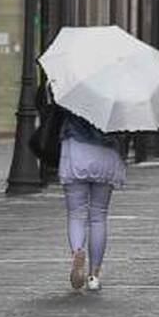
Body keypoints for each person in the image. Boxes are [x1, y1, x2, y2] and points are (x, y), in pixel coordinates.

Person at [47, 83, 127, 293]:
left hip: (75, 152)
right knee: (99, 216)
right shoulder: (116, 89)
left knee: (76, 214)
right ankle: (94, 275)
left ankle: (77, 252)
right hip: (105, 155)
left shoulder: (71, 86)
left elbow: (49, 107)